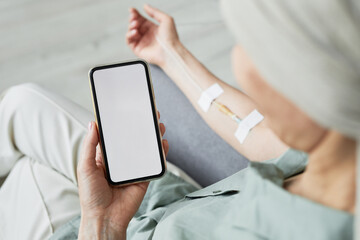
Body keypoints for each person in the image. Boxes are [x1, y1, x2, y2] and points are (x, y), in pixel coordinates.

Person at [0, 1, 358, 239]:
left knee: (24, 177)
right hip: (160, 199)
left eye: (251, 48)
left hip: (116, 226)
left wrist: (102, 224)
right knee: (23, 103)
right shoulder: (339, 148)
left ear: (311, 95)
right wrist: (170, 54)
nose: (238, 59)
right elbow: (257, 131)